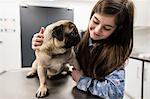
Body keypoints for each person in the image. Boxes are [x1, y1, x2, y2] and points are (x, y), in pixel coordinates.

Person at [31, 0, 134, 98]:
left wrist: (82, 80)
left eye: (107, 28)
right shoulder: (80, 38)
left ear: (117, 30)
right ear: (91, 16)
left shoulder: (116, 55)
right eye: (95, 21)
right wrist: (39, 42)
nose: (97, 31)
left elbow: (116, 93)